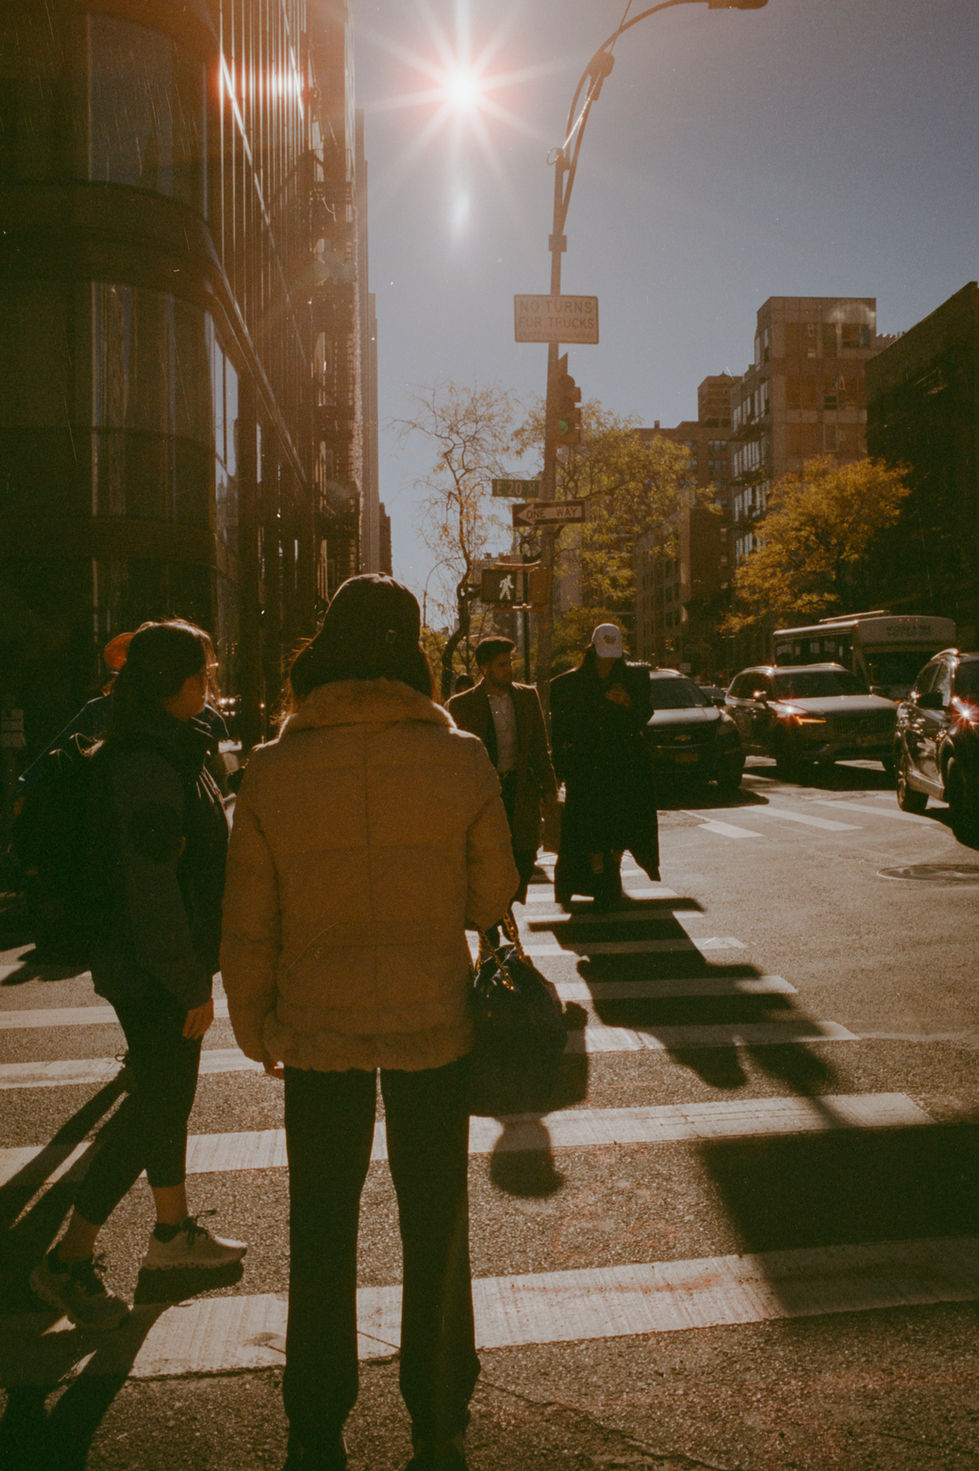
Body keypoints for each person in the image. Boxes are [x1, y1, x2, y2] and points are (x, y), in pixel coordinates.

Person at [220, 575, 517, 1471]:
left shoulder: (270, 767)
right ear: (410, 650)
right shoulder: (459, 756)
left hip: (316, 1029)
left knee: (319, 1222)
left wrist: (254, 1023)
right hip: (434, 1022)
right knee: (435, 1217)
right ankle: (435, 1410)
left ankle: (315, 1419)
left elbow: (248, 919)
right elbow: (490, 895)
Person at [29, 620, 246, 1332]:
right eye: (202, 674)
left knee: (165, 1095)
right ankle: (68, 1259)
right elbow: (153, 886)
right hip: (153, 966)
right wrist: (189, 981)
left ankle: (173, 1231)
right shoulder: (147, 762)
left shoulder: (163, 746)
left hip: (147, 960)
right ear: (172, 683)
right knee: (156, 1102)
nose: (208, 687)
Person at [549, 622, 660, 908]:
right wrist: (561, 769)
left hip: (623, 765)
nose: (608, 660)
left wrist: (627, 703)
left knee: (621, 823)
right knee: (588, 826)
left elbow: (644, 714)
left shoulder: (634, 679)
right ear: (593, 650)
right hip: (586, 767)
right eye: (603, 653)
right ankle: (599, 874)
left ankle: (611, 868)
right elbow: (561, 729)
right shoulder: (570, 683)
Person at [447, 636, 558, 908]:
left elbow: (539, 749)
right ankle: (495, 925)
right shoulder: (462, 705)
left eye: (509, 663)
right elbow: (456, 759)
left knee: (523, 857)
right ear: (484, 668)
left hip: (520, 791)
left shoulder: (526, 697)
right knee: (487, 861)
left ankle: (505, 909)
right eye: (501, 664)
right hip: (484, 796)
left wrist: (549, 790)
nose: (508, 669)